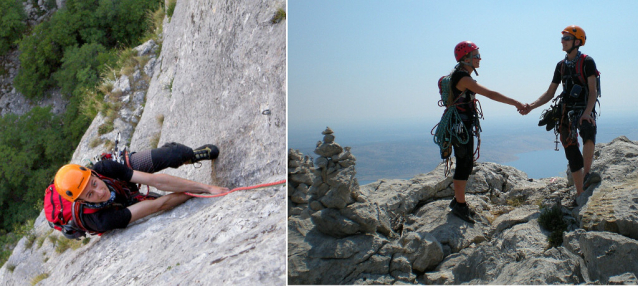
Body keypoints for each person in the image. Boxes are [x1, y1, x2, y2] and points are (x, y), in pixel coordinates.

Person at [51, 142, 228, 234]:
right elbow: (159, 205)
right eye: (90, 194)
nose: (100, 192)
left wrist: (206, 187)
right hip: (118, 207)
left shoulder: (104, 169)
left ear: (94, 174)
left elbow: (155, 181)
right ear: (82, 201)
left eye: (95, 184)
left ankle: (190, 156)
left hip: (119, 180)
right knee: (156, 199)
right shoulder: (101, 220)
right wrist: (198, 193)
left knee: (175, 154)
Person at [444, 41, 524, 223]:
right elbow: (491, 94)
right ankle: (460, 205)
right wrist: (516, 103)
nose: (480, 58)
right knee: (464, 164)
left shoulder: (462, 76)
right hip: (461, 127)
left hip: (461, 125)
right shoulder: (463, 78)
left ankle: (458, 200)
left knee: (466, 163)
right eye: (476, 55)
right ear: (465, 59)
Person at [520, 25, 601, 202]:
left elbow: (593, 91)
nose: (562, 41)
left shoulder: (587, 62)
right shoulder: (561, 66)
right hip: (566, 110)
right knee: (571, 150)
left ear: (577, 42)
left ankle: (587, 175)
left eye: (566, 38)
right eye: (562, 38)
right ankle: (580, 194)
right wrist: (531, 106)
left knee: (587, 130)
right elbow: (550, 93)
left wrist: (587, 113)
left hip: (583, 107)